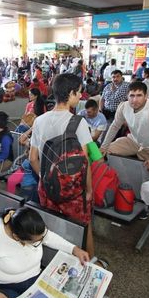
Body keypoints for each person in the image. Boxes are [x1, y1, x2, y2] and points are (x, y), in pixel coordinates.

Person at [29, 73, 97, 257]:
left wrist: (45, 178)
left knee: (52, 227)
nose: (81, 96)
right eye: (80, 93)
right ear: (72, 93)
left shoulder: (39, 120)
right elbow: (86, 161)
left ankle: (55, 262)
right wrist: (89, 190)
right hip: (74, 190)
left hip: (47, 188)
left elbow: (33, 158)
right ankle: (89, 263)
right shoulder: (78, 122)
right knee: (83, 226)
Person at [100, 82, 149, 171]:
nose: (135, 100)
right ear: (127, 96)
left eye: (139, 95)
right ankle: (116, 176)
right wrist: (103, 147)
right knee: (106, 151)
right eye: (132, 95)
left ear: (146, 96)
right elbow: (115, 126)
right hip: (133, 141)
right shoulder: (123, 106)